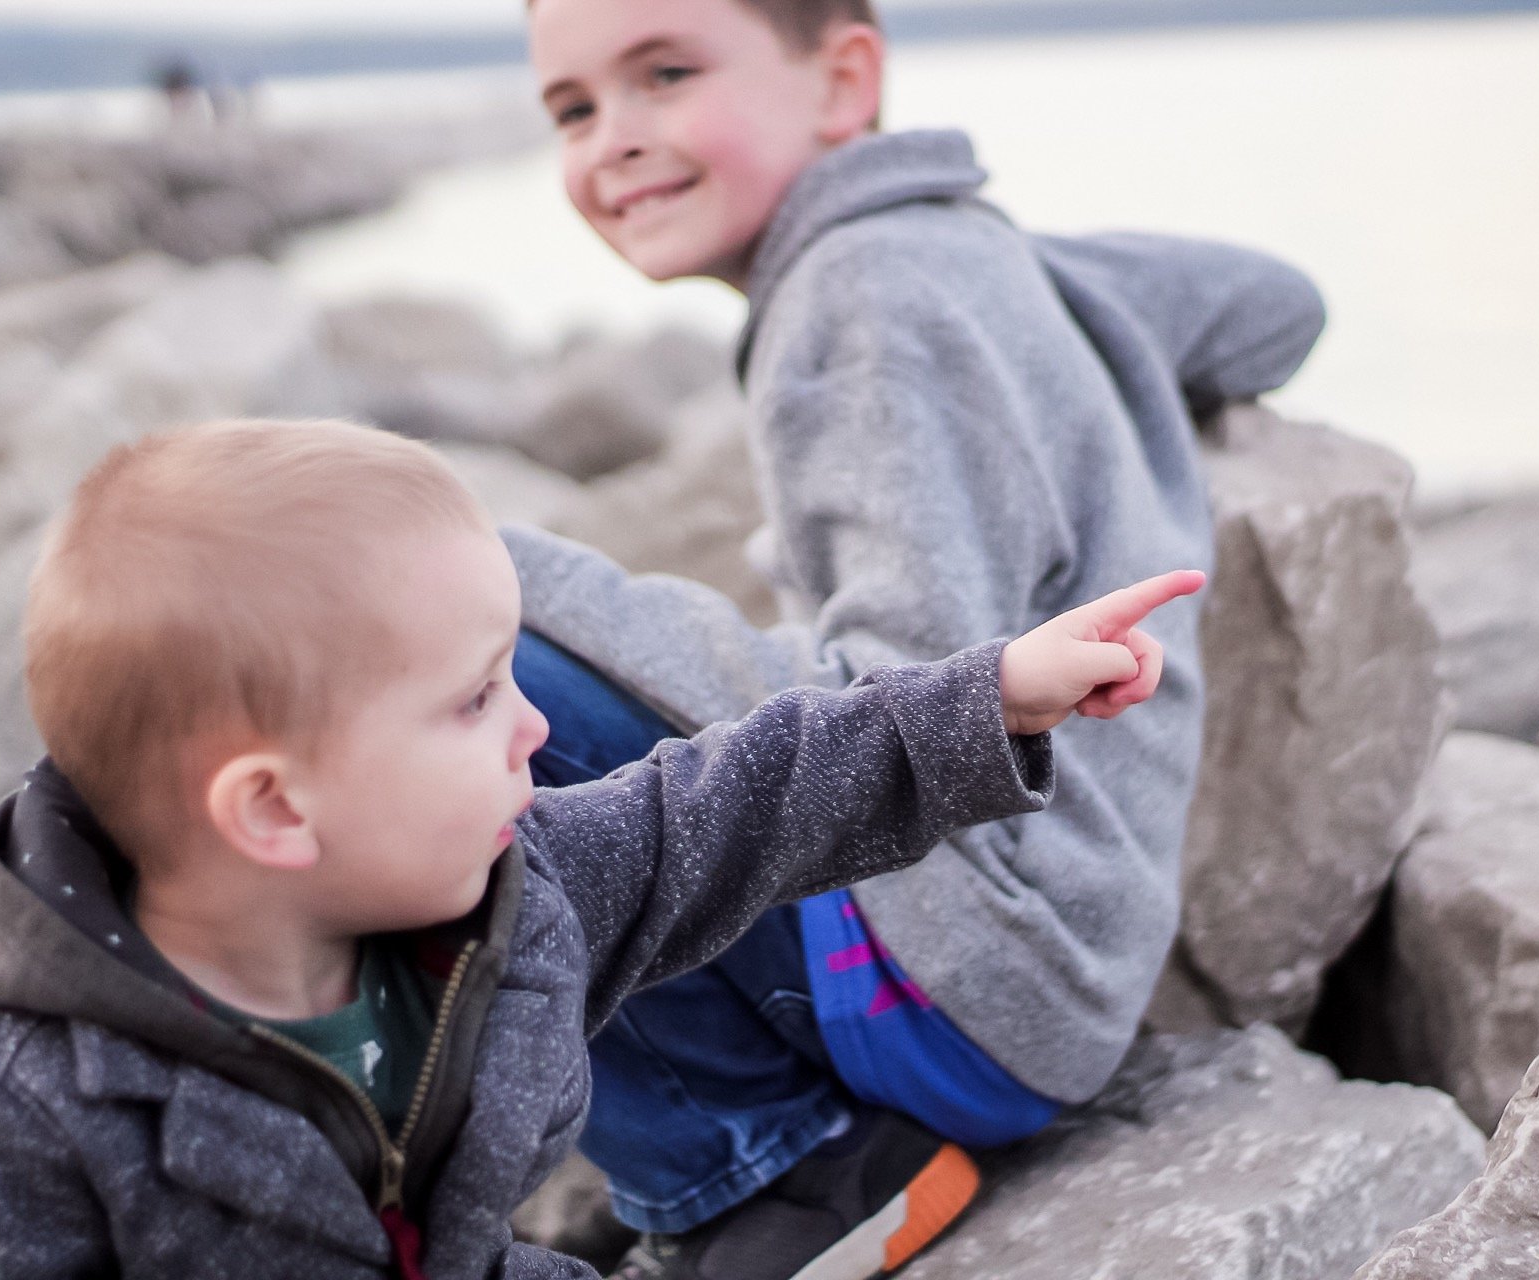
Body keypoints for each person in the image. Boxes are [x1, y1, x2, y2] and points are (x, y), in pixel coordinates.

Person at [0, 417, 1203, 1279]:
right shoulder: (30, 1114)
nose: (533, 728)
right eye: (472, 701)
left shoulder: (516, 904)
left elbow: (735, 804)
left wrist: (986, 698)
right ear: (275, 810)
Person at [514, 1, 1327, 1276]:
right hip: (1047, 959)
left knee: (477, 680)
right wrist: (1022, 277)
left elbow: (904, 707)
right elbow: (1276, 305)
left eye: (664, 75)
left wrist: (506, 569)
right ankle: (724, 1116)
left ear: (845, 82)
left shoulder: (869, 289)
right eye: (573, 107)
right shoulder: (939, 250)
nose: (614, 139)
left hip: (976, 976)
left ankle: (763, 1161)